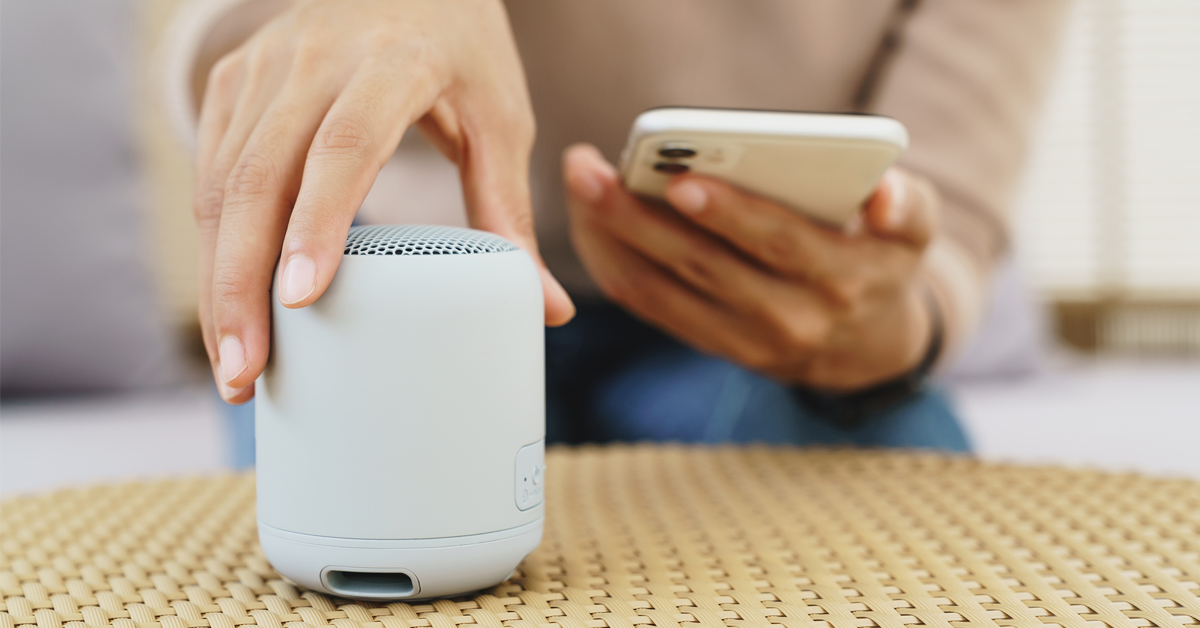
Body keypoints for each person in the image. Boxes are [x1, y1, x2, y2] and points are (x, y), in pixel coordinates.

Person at [166, 0, 1069, 451]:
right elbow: (226, 43)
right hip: (409, 290)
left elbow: (949, 217)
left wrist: (886, 327)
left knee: (902, 507)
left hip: (765, 328)